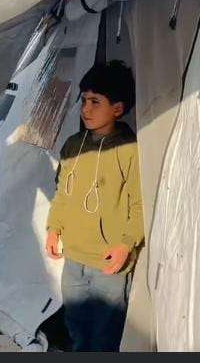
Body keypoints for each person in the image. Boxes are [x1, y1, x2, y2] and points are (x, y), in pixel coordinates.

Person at [45, 60, 144, 352]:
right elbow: (62, 193)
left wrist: (126, 244)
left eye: (95, 102)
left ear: (117, 108)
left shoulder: (130, 150)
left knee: (104, 337)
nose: (85, 109)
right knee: (77, 329)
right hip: (74, 258)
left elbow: (140, 204)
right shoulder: (72, 146)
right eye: (84, 100)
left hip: (109, 265)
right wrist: (53, 228)